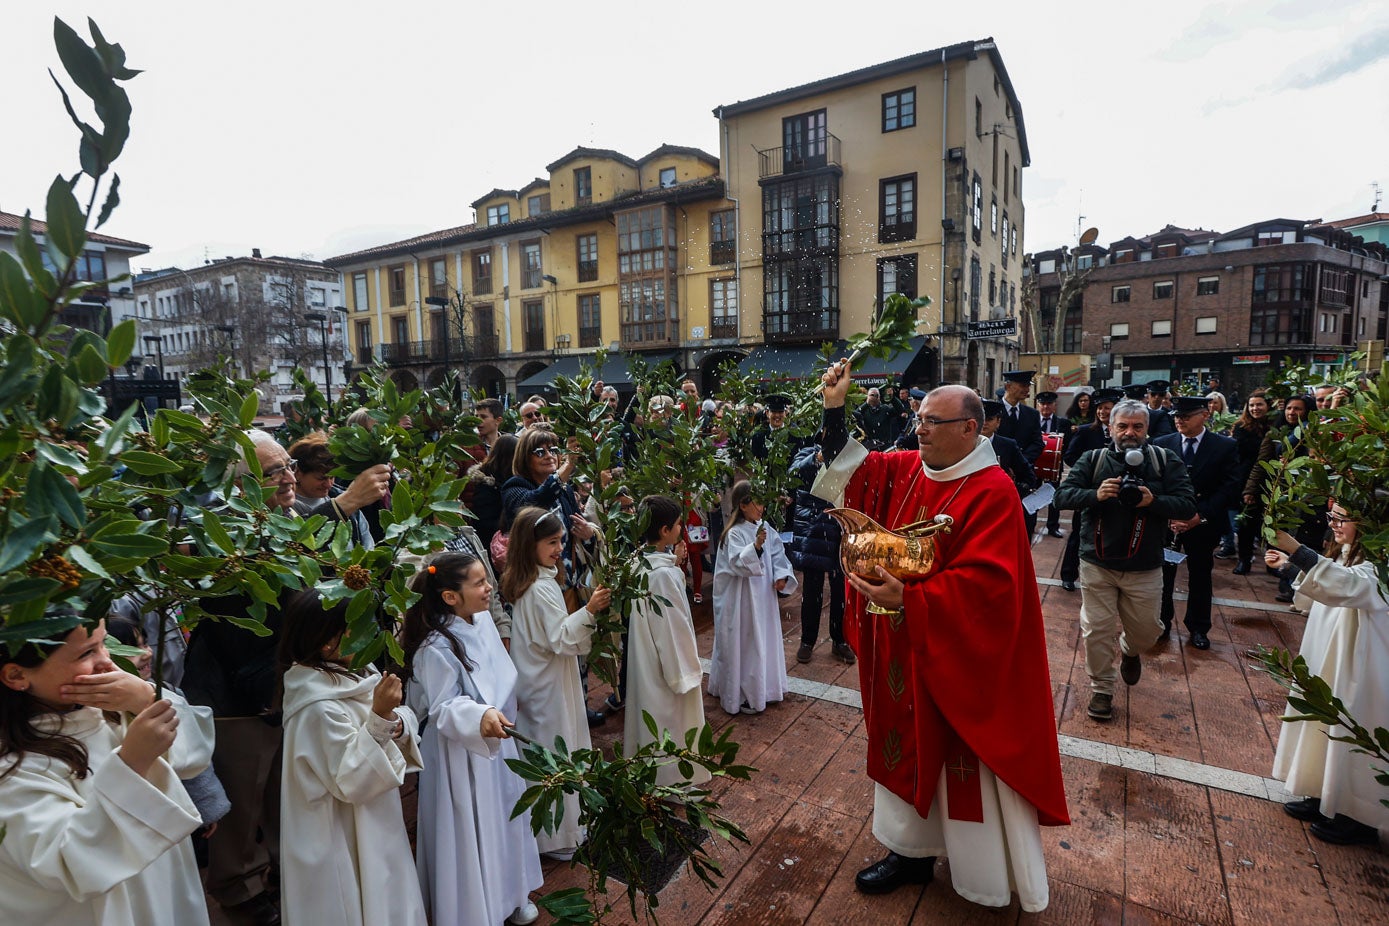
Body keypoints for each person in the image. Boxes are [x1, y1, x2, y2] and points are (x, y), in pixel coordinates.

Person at [811, 364, 1068, 912]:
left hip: (958, 657)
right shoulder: (909, 469)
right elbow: (847, 474)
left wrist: (912, 601)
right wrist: (836, 409)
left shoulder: (992, 490)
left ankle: (983, 873)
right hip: (903, 650)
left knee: (958, 764)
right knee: (900, 745)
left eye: (933, 420)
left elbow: (991, 589)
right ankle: (909, 852)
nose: (920, 428)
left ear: (970, 429)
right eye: (919, 418)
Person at [0, 620, 214, 926]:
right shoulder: (11, 766)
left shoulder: (111, 707)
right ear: (16, 674)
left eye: (105, 643)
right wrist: (132, 763)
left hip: (162, 888)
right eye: (87, 653)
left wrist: (145, 700)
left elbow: (194, 758)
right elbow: (65, 863)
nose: (108, 662)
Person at [182, 430, 300, 926]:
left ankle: (271, 877)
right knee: (242, 797)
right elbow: (239, 624)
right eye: (275, 471)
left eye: (289, 463)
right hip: (237, 694)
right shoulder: (223, 534)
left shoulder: (291, 521)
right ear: (240, 486)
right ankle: (238, 891)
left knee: (276, 792)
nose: (290, 476)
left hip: (281, 686)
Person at [402, 552, 543, 925]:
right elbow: (441, 707)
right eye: (479, 583)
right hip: (460, 752)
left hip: (498, 738)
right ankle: (477, 910)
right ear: (450, 596)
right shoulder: (436, 646)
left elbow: (498, 672)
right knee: (472, 829)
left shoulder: (479, 621)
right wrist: (479, 715)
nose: (489, 588)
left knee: (505, 817)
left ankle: (512, 894)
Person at [277, 590, 426, 926]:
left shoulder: (353, 670)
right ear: (322, 637)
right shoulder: (316, 705)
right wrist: (380, 715)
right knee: (356, 902)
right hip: (338, 829)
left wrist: (394, 720)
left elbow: (397, 717)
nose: (361, 634)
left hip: (372, 818)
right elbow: (352, 779)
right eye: (350, 627)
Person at [1055, 400, 1195, 722]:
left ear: (1147, 429)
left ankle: (1130, 650)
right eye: (1123, 426)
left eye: (1137, 426)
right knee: (1096, 630)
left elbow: (1187, 505)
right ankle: (1101, 689)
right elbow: (1061, 496)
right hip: (1097, 562)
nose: (1130, 433)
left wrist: (1153, 500)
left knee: (1149, 632)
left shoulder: (1164, 460)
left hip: (1145, 565)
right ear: (1111, 428)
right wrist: (1095, 494)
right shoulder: (1094, 459)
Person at [1266, 512, 1388, 847]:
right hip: (1327, 650)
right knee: (1322, 718)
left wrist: (1296, 550)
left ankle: (1359, 817)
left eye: (1343, 519)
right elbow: (1326, 583)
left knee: (1352, 721)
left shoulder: (1383, 559)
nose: (1334, 524)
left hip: (1360, 658)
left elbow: (1351, 586)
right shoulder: (1348, 550)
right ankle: (1322, 793)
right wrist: (1291, 566)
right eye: (1331, 517)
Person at [501, 507, 612, 858]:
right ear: (528, 545)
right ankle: (558, 838)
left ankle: (564, 828)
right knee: (553, 751)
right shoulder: (539, 589)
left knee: (552, 748)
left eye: (561, 541)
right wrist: (590, 610)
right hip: (545, 684)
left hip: (544, 677)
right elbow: (562, 637)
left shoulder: (536, 580)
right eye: (551, 542)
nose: (558, 548)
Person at [622, 496, 709, 787]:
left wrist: (676, 561)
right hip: (662, 663)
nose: (681, 528)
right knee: (667, 718)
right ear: (664, 531)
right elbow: (671, 628)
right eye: (677, 525)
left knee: (650, 714)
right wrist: (684, 671)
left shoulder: (640, 563)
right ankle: (670, 781)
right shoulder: (661, 576)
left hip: (644, 657)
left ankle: (653, 777)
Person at [1153, 396, 1241, 649]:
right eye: (1177, 416)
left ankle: (1199, 628)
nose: (1179, 420)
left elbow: (1230, 487)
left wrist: (1198, 516)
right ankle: (1162, 622)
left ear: (1205, 414)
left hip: (1203, 522)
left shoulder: (1224, 446)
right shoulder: (1162, 444)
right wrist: (1169, 513)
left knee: (1201, 576)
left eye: (1186, 416)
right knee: (1164, 575)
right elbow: (1155, 483)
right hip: (1169, 524)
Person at [707, 481, 798, 716]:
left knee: (761, 641)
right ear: (743, 505)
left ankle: (764, 688)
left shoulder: (766, 527)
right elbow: (738, 563)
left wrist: (781, 575)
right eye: (757, 502)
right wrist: (756, 547)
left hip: (763, 598)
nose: (762, 507)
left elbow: (778, 554)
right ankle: (743, 693)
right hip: (741, 601)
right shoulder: (734, 534)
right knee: (745, 644)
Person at [788, 442, 854, 666]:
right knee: (812, 590)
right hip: (815, 532)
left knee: (839, 592)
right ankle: (807, 641)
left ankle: (839, 639)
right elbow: (795, 474)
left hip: (840, 531)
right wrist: (817, 457)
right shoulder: (809, 451)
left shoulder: (849, 454)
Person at [1058, 388, 1124, 591]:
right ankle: (1069, 574)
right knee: (1079, 532)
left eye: (1107, 408)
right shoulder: (1086, 431)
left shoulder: (1123, 433)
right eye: (1100, 408)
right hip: (1090, 492)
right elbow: (1069, 455)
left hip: (1116, 492)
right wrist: (1087, 470)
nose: (1103, 412)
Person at [288, 433, 389, 550]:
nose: (329, 484)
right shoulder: (287, 510)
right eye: (321, 478)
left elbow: (367, 545)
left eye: (332, 477)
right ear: (298, 473)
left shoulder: (344, 500)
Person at [982, 400, 1042, 536]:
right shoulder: (964, 443)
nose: (984, 423)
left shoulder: (1007, 446)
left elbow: (1029, 477)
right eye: (981, 418)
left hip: (1000, 507)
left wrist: (1013, 486)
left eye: (989, 419)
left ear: (998, 422)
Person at [1228, 390, 1272, 567]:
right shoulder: (1241, 427)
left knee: (1271, 523)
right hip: (1247, 480)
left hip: (1271, 478)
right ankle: (1244, 559)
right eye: (1252, 405)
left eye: (1259, 404)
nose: (1255, 408)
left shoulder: (1275, 425)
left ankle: (1272, 562)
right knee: (1247, 522)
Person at [1035, 390, 1073, 537]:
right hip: (1034, 465)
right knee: (1032, 495)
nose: (1045, 407)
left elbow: (1068, 445)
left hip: (1054, 467)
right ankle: (1030, 524)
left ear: (1054, 405)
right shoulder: (1032, 420)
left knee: (1053, 496)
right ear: (1038, 405)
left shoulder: (1063, 423)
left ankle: (1052, 526)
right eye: (1042, 404)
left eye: (1049, 404)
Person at [996, 369, 1043, 466]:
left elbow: (1037, 443)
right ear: (1008, 386)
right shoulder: (994, 412)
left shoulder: (1032, 414)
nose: (1027, 390)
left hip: (1023, 469)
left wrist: (1021, 462)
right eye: (1023, 386)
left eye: (1028, 386)